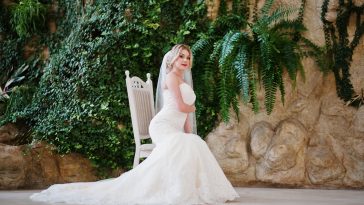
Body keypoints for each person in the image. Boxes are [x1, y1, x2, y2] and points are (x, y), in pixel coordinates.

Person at [30, 44, 239, 205]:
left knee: (194, 142)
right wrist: (192, 109)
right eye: (180, 56)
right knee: (187, 144)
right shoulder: (172, 78)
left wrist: (189, 133)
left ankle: (194, 188)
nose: (184, 59)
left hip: (174, 128)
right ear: (173, 60)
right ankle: (170, 189)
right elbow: (183, 107)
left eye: (187, 57)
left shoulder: (184, 80)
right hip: (162, 126)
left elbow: (184, 116)